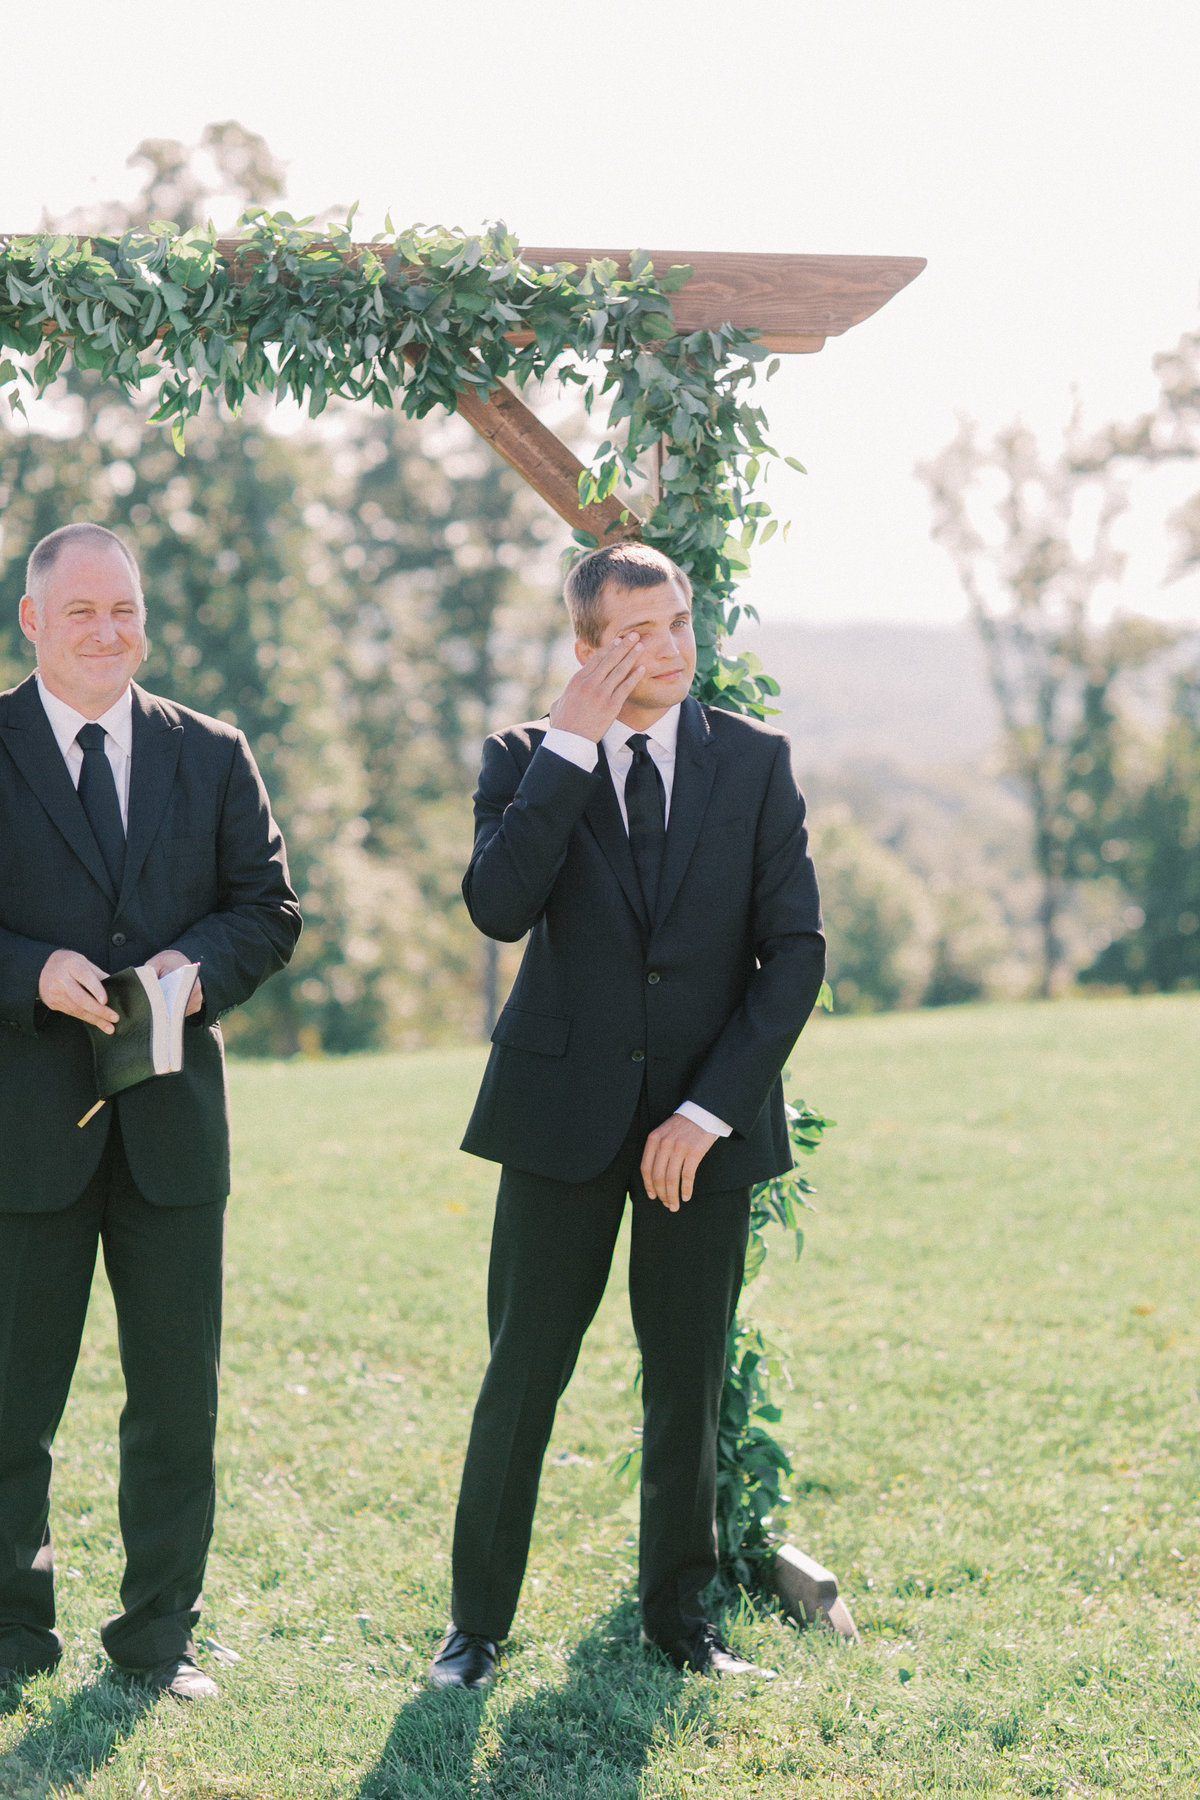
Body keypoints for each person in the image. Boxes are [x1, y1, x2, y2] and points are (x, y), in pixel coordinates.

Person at [430, 542, 825, 1689]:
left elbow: (792, 954)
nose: (669, 649)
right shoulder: (523, 759)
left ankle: (679, 1622)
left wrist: (708, 1111)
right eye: (638, 633)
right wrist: (570, 746)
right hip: (558, 1118)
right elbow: (499, 909)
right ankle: (476, 1629)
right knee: (522, 1374)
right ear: (586, 648)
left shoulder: (754, 760)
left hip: (702, 1132)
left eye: (680, 623)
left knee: (687, 1380)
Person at [0, 523, 301, 1701]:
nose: (109, 631)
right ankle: (14, 1636)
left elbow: (268, 910)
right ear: (33, 621)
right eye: (82, 612)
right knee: (11, 1406)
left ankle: (158, 1639)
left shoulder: (212, 751)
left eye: (124, 610)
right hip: (23, 1138)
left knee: (177, 1405)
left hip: (174, 1132)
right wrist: (26, 972)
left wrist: (191, 972)